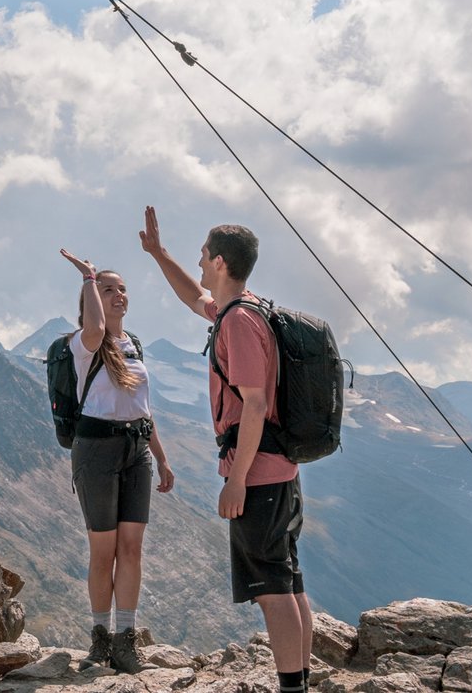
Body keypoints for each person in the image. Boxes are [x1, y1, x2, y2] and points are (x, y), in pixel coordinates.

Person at [140, 207, 314, 693]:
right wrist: (158, 254)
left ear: (219, 261)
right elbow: (193, 297)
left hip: (257, 472)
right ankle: (301, 679)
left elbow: (254, 405)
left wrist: (237, 478)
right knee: (289, 579)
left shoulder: (238, 323)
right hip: (282, 469)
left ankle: (291, 688)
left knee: (272, 590)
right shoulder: (247, 309)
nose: (198, 263)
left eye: (201, 255)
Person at [57, 247, 175, 674]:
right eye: (109, 289)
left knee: (131, 549)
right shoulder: (85, 344)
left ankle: (126, 640)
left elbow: (144, 409)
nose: (118, 294)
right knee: (102, 551)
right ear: (92, 297)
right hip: (96, 452)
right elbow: (94, 324)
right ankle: (100, 637)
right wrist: (88, 278)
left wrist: (161, 459)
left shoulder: (134, 345)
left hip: (136, 452)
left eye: (122, 288)